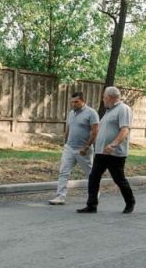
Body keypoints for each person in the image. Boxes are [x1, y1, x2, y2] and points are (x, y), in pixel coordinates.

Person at [77, 86, 135, 214]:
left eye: (104, 97)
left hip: (114, 153)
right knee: (94, 177)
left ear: (110, 97)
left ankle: (130, 202)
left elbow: (125, 129)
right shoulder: (109, 111)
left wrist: (113, 144)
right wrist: (88, 145)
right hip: (101, 152)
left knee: (119, 179)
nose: (103, 100)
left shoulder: (123, 109)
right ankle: (91, 205)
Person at [48, 91, 98, 205]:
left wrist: (86, 147)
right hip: (70, 148)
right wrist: (66, 143)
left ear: (83, 101)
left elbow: (95, 131)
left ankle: (94, 195)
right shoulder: (71, 113)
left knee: (90, 173)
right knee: (63, 172)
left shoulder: (91, 113)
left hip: (83, 149)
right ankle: (60, 196)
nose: (73, 104)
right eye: (72, 102)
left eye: (76, 102)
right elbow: (68, 128)